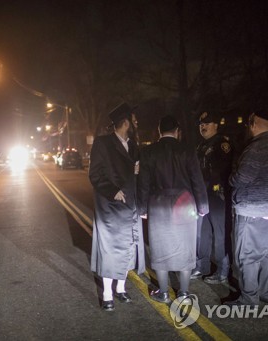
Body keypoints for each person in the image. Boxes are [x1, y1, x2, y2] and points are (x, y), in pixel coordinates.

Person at [138, 115, 209, 303]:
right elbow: (197, 179)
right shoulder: (187, 150)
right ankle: (184, 293)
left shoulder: (148, 151)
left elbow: (143, 183)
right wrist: (203, 205)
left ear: (159, 132)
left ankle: (163, 293)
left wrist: (142, 208)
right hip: (184, 203)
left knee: (159, 248)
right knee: (186, 248)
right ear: (177, 132)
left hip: (158, 203)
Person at [226, 110, 268, 307]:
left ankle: (249, 299)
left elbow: (241, 179)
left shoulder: (255, 149)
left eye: (247, 124)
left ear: (253, 125)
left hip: (252, 209)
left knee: (247, 256)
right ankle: (266, 294)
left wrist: (231, 178)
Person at [89, 102, 145, 311]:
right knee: (111, 250)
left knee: (130, 246)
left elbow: (135, 173)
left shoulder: (135, 145)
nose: (136, 122)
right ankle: (107, 294)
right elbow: (95, 175)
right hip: (111, 206)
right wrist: (113, 191)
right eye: (134, 118)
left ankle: (121, 289)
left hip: (130, 205)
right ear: (125, 122)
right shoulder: (103, 143)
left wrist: (137, 172)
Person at [191, 111, 233, 284]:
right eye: (201, 124)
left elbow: (221, 169)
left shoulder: (222, 144)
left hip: (217, 194)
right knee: (203, 232)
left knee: (220, 233)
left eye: (207, 123)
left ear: (216, 125)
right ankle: (203, 265)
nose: (203, 126)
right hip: (203, 194)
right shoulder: (201, 145)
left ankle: (223, 271)